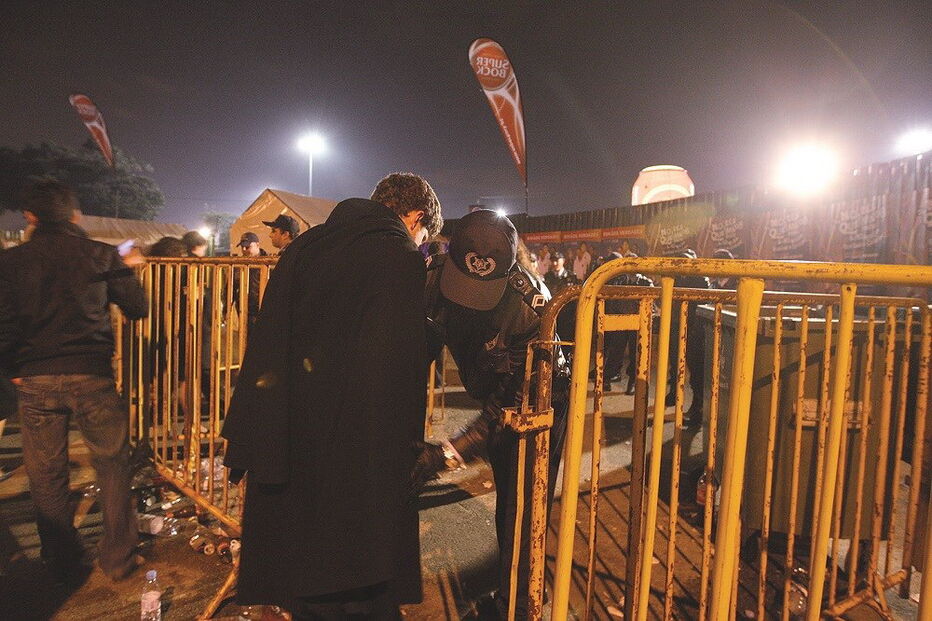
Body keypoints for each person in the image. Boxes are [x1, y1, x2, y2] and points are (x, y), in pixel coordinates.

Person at [221, 172, 443, 620]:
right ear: (415, 217)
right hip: (356, 446)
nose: (419, 240)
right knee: (355, 576)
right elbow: (393, 366)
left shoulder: (306, 245)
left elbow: (270, 337)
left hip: (291, 431)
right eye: (422, 234)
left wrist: (250, 436)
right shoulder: (399, 256)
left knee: (305, 572)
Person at [413, 209, 569, 620]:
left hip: (541, 398)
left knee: (521, 506)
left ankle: (520, 605)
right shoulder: (432, 275)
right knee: (508, 503)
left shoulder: (530, 305)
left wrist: (448, 453)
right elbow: (418, 344)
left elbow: (509, 406)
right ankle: (514, 589)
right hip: (492, 386)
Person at [0, 179, 148, 584]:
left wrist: (12, 366)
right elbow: (137, 309)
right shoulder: (100, 255)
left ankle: (63, 560)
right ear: (75, 215)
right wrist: (129, 271)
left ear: (30, 217)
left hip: (33, 377)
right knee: (112, 464)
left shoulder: (11, 263)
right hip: (92, 373)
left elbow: (4, 325)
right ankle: (118, 558)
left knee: (45, 471)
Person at [665, 249, 710, 427]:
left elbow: (702, 304)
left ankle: (698, 407)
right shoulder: (674, 277)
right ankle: (675, 393)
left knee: (696, 370)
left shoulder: (700, 279)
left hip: (694, 329)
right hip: (677, 325)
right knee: (675, 362)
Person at [602, 251, 653, 394]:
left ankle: (633, 382)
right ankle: (607, 378)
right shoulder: (619, 281)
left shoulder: (645, 282)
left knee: (635, 354)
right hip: (621, 320)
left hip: (638, 323)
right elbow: (612, 300)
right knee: (615, 351)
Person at [235, 232, 269, 326]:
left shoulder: (269, 263)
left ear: (257, 245)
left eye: (247, 247)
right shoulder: (238, 264)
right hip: (243, 308)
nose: (244, 250)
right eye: (242, 247)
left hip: (262, 309)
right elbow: (231, 286)